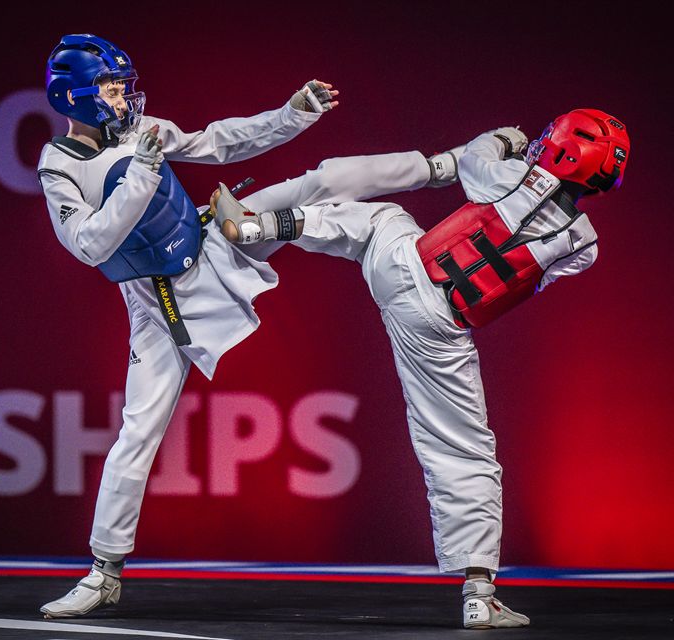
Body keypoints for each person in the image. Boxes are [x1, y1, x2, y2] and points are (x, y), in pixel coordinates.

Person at [212, 108, 631, 629]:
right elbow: (530, 278)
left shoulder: (510, 174)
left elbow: (473, 158)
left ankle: (259, 225)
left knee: (378, 219)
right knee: (464, 450)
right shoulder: (586, 245)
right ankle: (479, 595)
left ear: (562, 148)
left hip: (406, 265)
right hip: (442, 327)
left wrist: (501, 137)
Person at [36, 33, 339, 618]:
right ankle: (103, 572)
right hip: (155, 302)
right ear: (74, 97)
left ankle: (434, 173)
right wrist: (143, 172)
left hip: (214, 247)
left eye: (123, 87)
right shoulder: (59, 166)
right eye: (110, 89)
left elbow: (218, 142)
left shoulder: (141, 132)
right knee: (138, 432)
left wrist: (292, 113)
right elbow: (91, 244)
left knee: (318, 187)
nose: (123, 98)